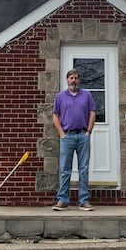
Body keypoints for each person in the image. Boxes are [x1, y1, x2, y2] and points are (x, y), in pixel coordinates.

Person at [52, 68, 96, 211]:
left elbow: (92, 113)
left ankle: (84, 201)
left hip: (83, 135)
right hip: (67, 136)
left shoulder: (87, 95)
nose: (74, 80)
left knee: (83, 169)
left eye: (76, 78)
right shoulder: (60, 97)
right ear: (67, 80)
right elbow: (55, 117)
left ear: (79, 80)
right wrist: (62, 134)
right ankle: (62, 200)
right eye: (71, 78)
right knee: (65, 170)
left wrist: (88, 132)